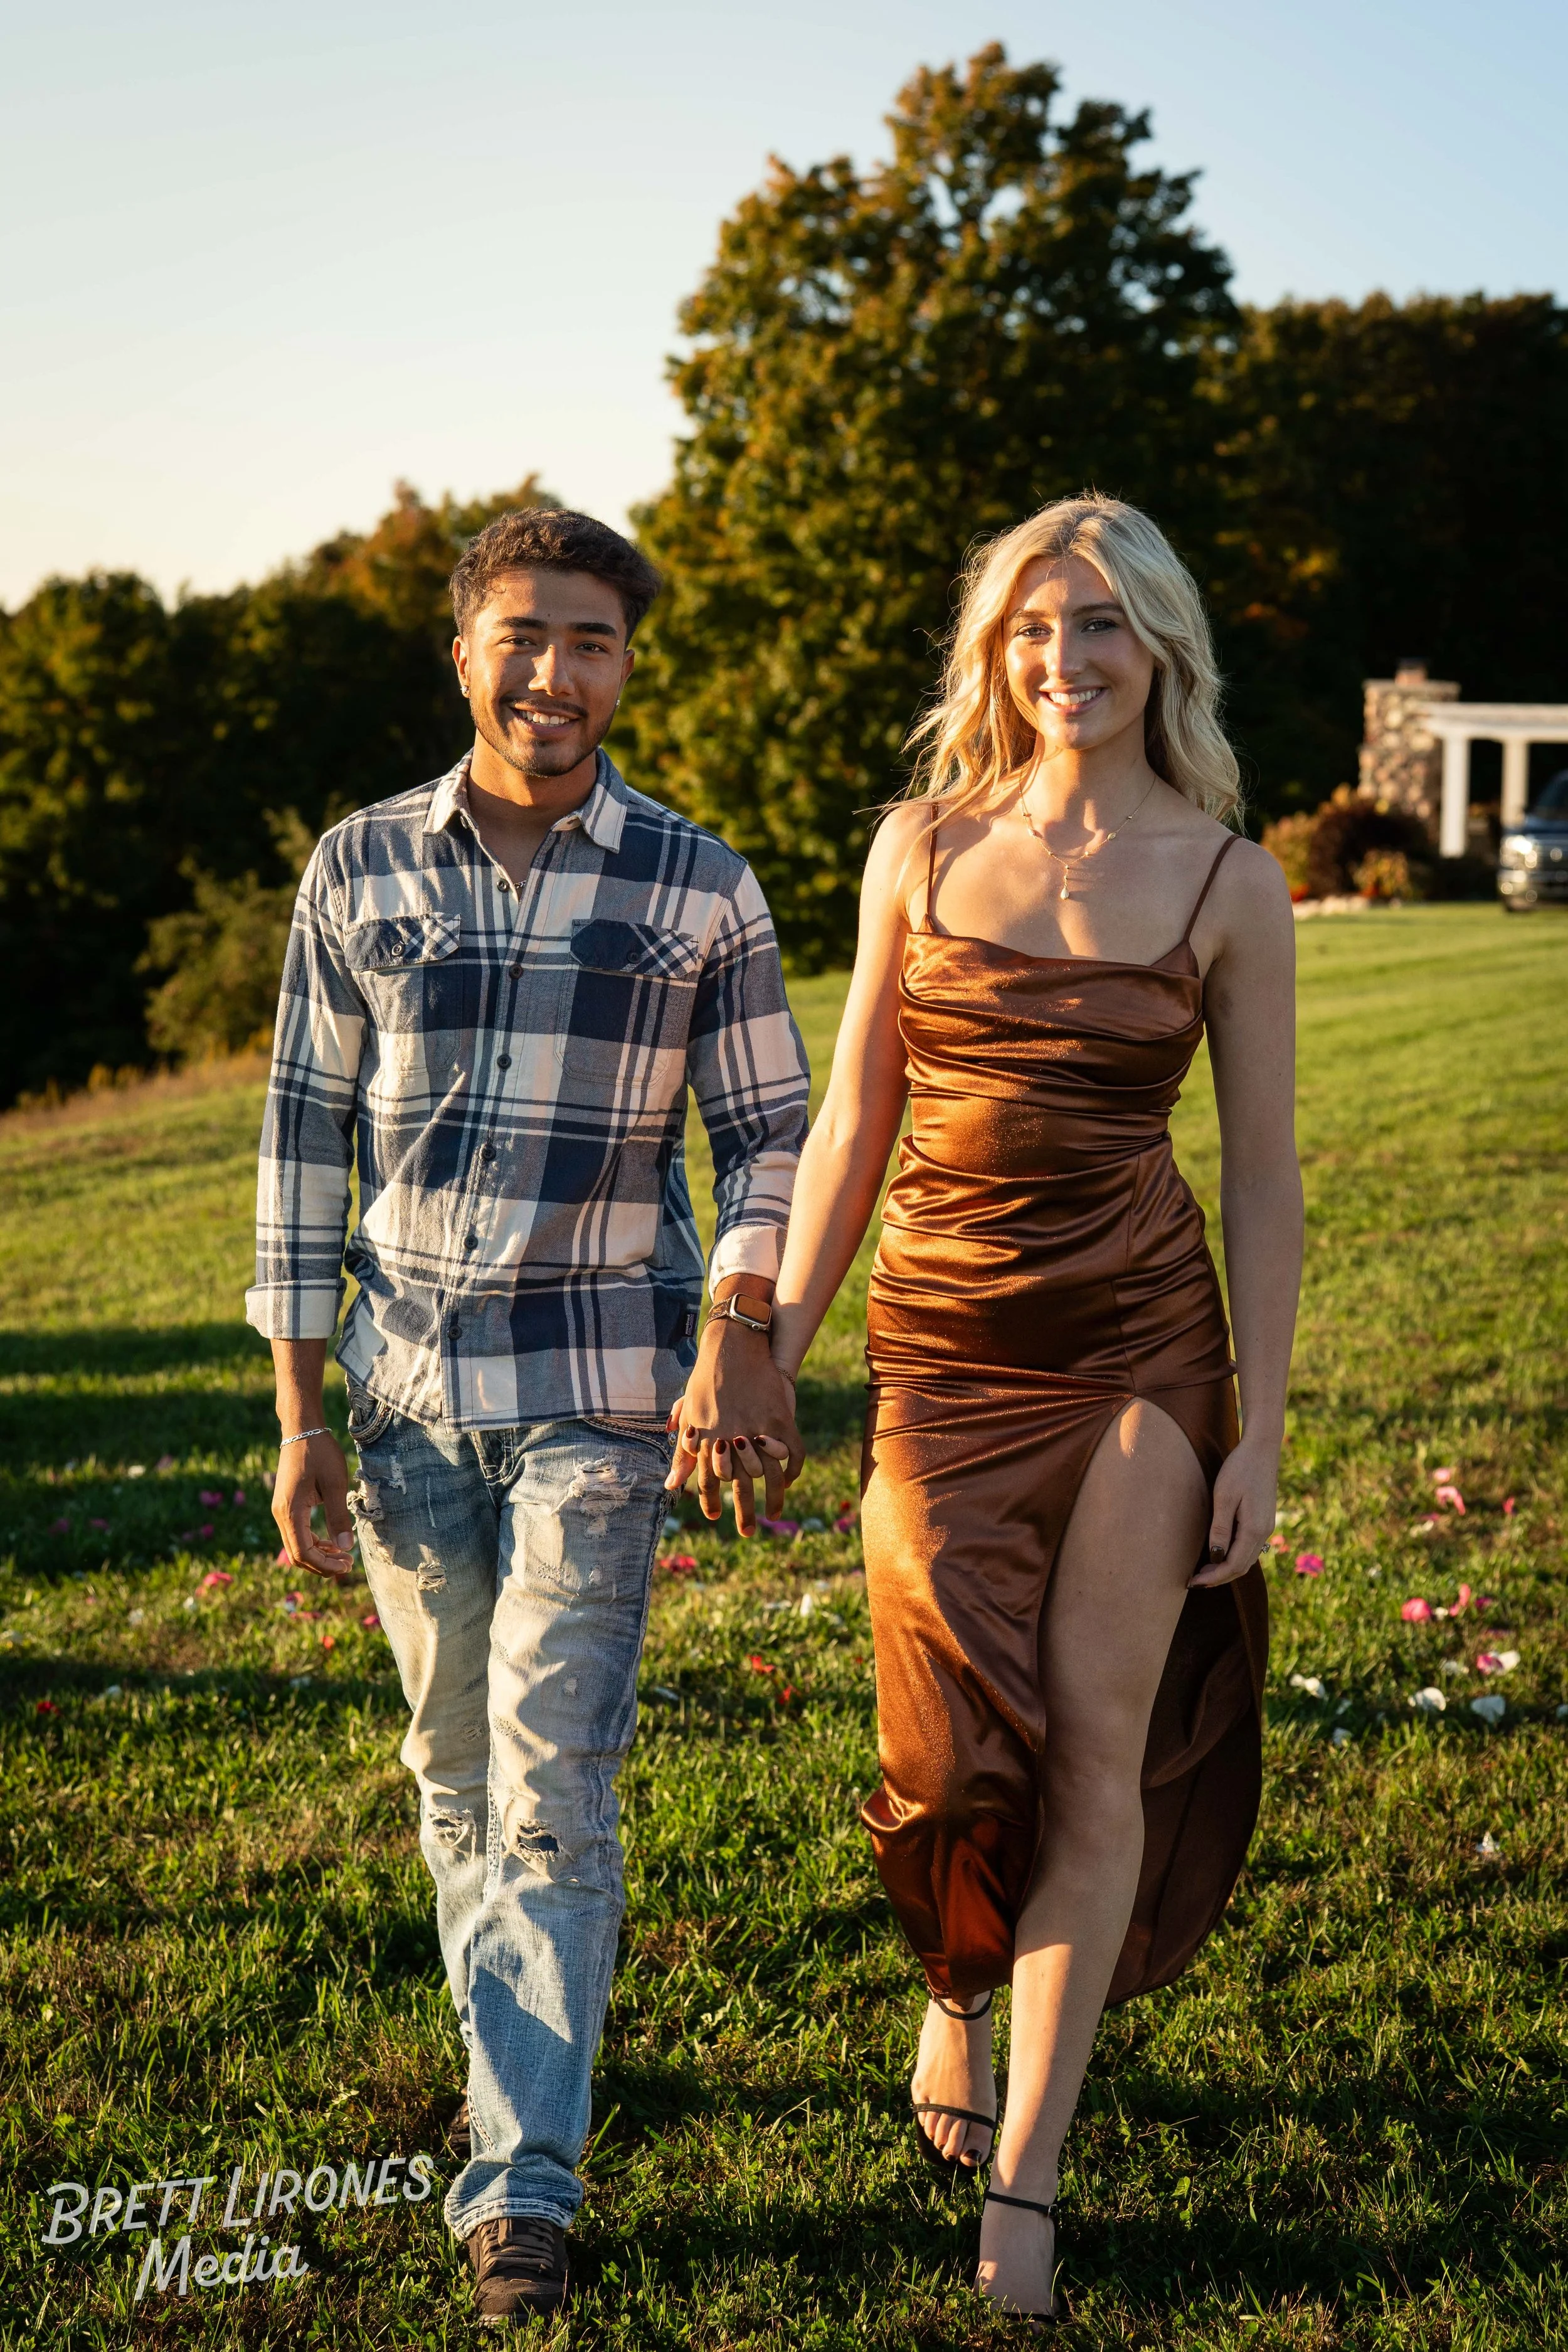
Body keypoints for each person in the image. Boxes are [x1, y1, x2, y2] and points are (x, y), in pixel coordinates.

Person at [247, 507, 807, 2323]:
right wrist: (300, 1409)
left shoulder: (695, 884)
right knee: (449, 1775)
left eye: (592, 640)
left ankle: (521, 2181)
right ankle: (524, 2077)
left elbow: (769, 1139)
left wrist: (735, 1324)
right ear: (462, 650)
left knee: (553, 1785)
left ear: (626, 665)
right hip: (404, 1397)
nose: (554, 673)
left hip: (598, 1387)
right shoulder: (359, 872)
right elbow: (298, 1144)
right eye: (522, 634)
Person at [761, 494, 1301, 2324]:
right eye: (1029, 629)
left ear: (1159, 648)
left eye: (1098, 627)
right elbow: (849, 1120)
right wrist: (772, 1334)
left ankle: (1028, 2182)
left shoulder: (1231, 881)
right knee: (938, 1755)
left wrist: (1264, 1425)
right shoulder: (919, 846)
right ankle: (949, 1991)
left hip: (1144, 1347)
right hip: (938, 1349)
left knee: (1089, 1749)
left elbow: (1266, 1182)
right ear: (992, 652)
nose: (1062, 661)